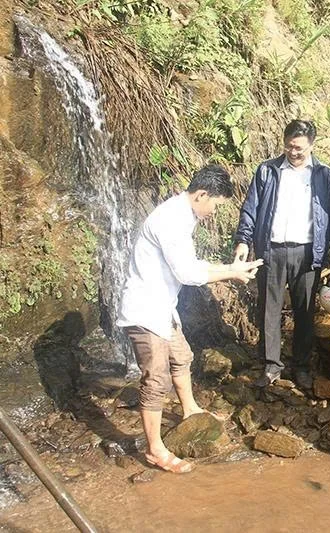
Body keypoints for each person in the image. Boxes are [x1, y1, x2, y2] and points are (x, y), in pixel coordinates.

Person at [117, 165, 263, 474]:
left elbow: (190, 263)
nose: (214, 212)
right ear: (201, 195)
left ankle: (190, 409)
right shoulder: (171, 220)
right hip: (145, 311)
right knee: (156, 379)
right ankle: (155, 449)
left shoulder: (183, 216)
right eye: (216, 205)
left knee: (182, 357)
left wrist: (229, 268)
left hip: (162, 308)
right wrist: (232, 272)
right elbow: (187, 273)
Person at [233, 120, 330, 390]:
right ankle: (271, 365)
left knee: (304, 311)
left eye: (299, 148)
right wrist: (243, 240)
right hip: (272, 249)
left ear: (312, 145)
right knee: (268, 309)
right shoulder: (267, 171)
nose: (293, 152)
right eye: (289, 146)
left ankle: (301, 367)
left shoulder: (324, 175)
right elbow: (251, 208)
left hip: (307, 251)